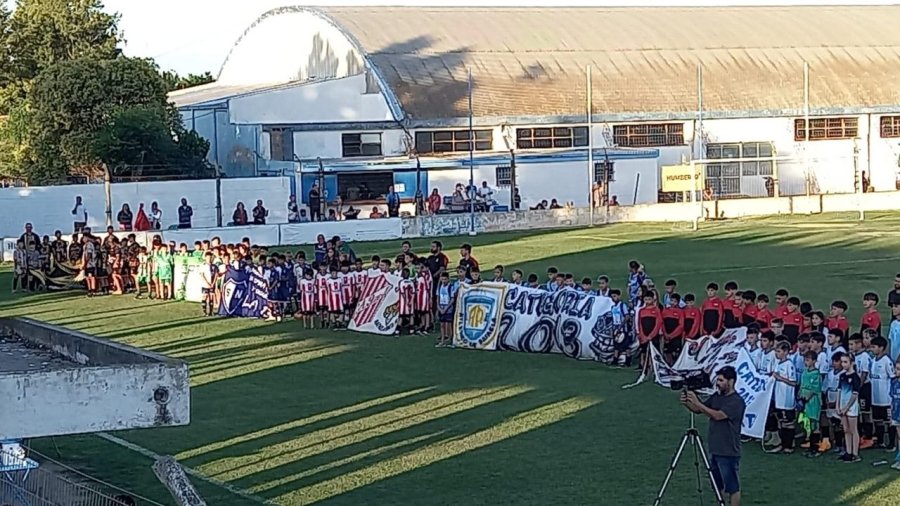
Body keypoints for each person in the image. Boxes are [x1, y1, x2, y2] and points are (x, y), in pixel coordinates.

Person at [681, 366, 745, 506]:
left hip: (728, 451)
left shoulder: (736, 402)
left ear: (731, 381)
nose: (718, 383)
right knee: (717, 486)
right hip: (715, 449)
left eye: (721, 380)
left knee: (732, 488)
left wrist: (698, 403)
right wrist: (688, 403)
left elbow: (717, 415)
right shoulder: (717, 397)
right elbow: (699, 410)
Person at [837, 352, 862, 462]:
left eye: (845, 362)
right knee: (846, 429)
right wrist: (838, 406)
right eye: (842, 362)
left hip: (851, 406)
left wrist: (847, 407)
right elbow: (839, 391)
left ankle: (855, 453)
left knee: (853, 429)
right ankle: (848, 451)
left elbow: (855, 394)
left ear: (851, 363)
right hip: (842, 405)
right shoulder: (842, 376)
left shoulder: (855, 377)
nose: (843, 364)